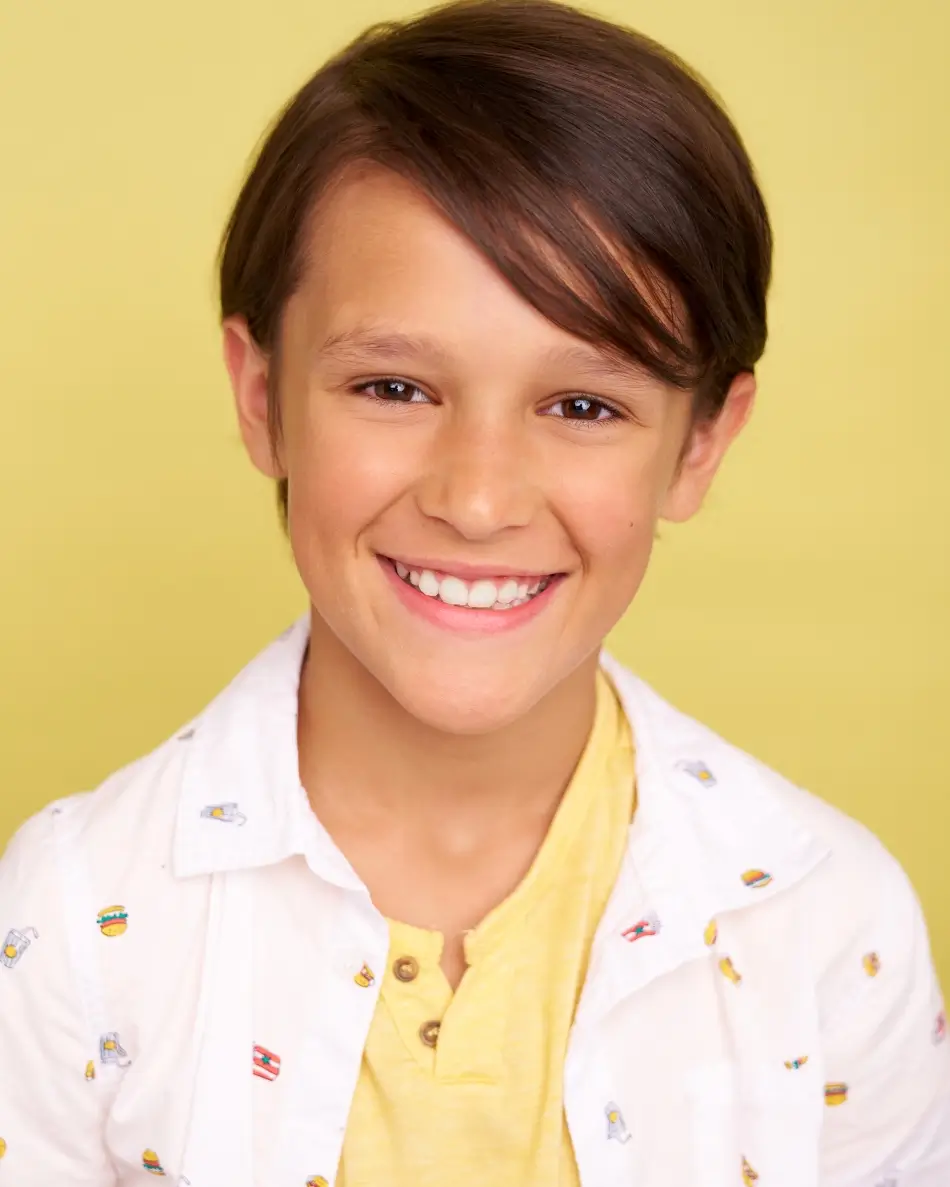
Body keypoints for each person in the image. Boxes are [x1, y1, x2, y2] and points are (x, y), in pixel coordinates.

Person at [0, 0, 947, 1183]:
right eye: (393, 387)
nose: (481, 496)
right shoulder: (73, 916)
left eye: (583, 406)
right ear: (261, 396)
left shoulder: (822, 922)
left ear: (700, 443)